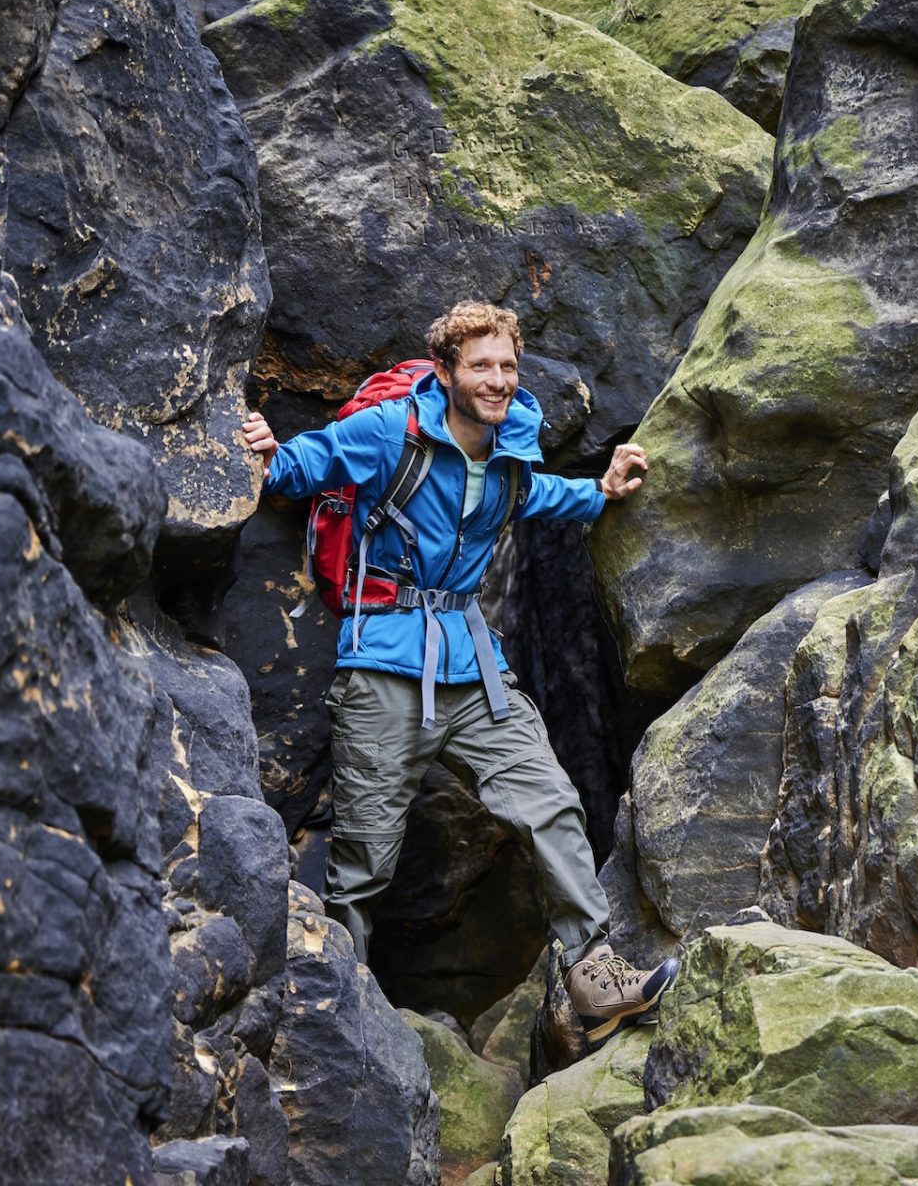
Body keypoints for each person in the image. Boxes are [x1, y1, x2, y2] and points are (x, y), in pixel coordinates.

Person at [240, 300, 675, 1047]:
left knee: (550, 803)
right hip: (382, 665)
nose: (498, 380)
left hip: (475, 670)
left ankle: (593, 974)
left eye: (508, 366)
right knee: (364, 861)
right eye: (481, 366)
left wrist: (599, 492)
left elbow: (533, 497)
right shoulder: (392, 432)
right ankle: (339, 1014)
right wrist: (265, 449)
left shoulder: (511, 447)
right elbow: (304, 466)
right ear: (445, 371)